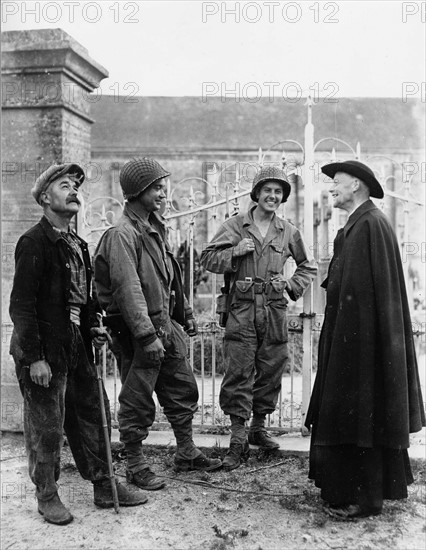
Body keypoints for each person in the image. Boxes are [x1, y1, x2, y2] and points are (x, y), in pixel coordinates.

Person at [9, 164, 148, 526]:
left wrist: (91, 326)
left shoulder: (77, 245)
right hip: (42, 348)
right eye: (63, 186)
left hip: (75, 344)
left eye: (75, 186)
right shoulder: (33, 242)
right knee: (48, 425)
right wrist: (35, 358)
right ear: (44, 198)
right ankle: (47, 494)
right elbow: (21, 306)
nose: (73, 191)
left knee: (91, 412)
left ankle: (105, 486)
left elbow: (83, 300)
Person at [305, 160, 426, 520]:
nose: (330, 189)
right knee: (351, 415)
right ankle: (347, 491)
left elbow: (370, 298)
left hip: (364, 347)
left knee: (362, 416)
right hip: (352, 342)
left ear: (356, 185)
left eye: (336, 183)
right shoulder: (357, 225)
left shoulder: (370, 225)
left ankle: (366, 499)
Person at [94, 158, 221, 489]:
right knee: (137, 400)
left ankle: (187, 453)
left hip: (166, 327)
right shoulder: (122, 235)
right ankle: (135, 464)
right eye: (157, 188)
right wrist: (146, 336)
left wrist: (187, 314)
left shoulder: (154, 228)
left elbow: (170, 277)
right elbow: (128, 288)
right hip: (140, 334)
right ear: (137, 193)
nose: (164, 194)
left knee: (182, 388)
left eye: (164, 186)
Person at [200, 165, 318, 470]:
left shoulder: (288, 230)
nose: (273, 196)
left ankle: (258, 427)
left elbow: (308, 266)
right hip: (241, 310)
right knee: (238, 370)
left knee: (271, 369)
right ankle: (237, 439)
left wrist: (290, 284)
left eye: (279, 192)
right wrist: (235, 252)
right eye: (268, 190)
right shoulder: (236, 226)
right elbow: (208, 258)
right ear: (257, 193)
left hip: (275, 310)